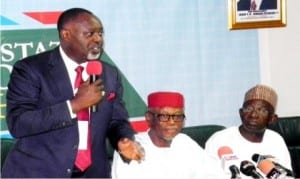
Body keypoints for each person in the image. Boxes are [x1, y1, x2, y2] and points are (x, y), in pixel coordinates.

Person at [2, 8, 144, 178]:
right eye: (89, 34)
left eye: (100, 33)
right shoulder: (31, 69)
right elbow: (18, 123)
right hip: (39, 173)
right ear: (66, 35)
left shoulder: (109, 74)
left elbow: (116, 121)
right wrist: (74, 105)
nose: (97, 39)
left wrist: (123, 139)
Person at [112, 91, 225, 179]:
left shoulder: (185, 142)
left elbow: (213, 174)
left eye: (178, 116)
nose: (172, 122)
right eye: (164, 116)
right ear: (149, 118)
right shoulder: (130, 146)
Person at [205, 84, 293, 178]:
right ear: (240, 113)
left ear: (272, 119)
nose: (253, 115)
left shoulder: (276, 140)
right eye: (248, 109)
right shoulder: (219, 140)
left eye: (262, 111)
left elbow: (287, 176)